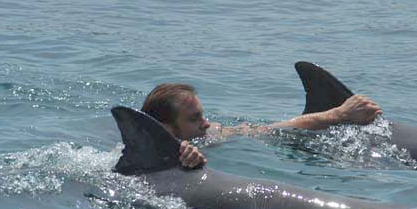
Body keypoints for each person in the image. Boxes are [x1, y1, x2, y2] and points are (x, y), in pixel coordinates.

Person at [141, 83, 382, 168]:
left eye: (202, 115)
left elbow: (268, 131)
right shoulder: (181, 149)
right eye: (194, 119)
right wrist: (338, 114)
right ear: (167, 129)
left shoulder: (210, 132)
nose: (205, 123)